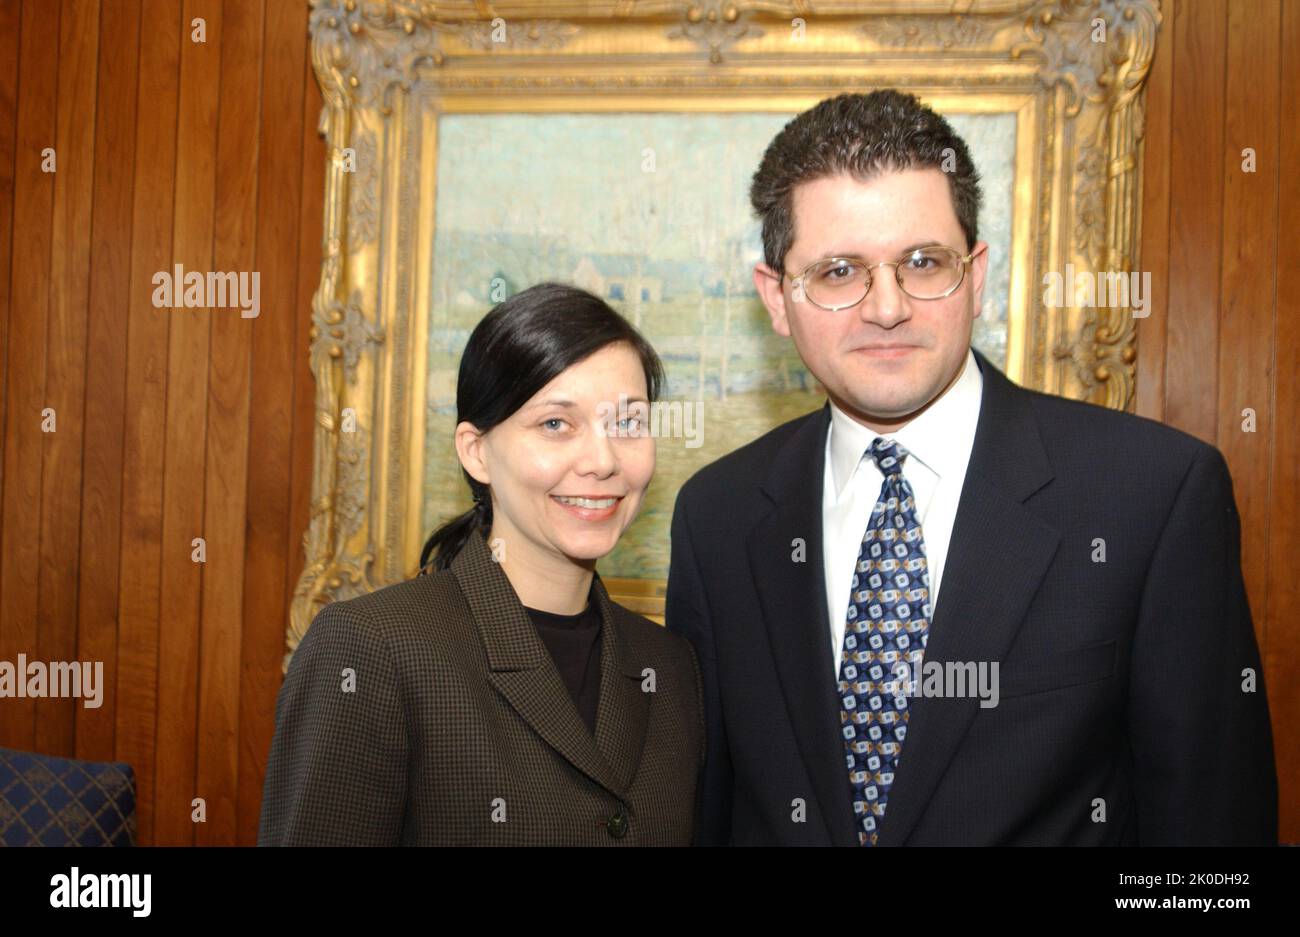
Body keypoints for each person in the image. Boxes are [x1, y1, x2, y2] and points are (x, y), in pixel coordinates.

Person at [666, 90, 1277, 846]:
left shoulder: (1152, 496)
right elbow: (707, 815)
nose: (885, 307)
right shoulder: (717, 516)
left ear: (976, 274)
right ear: (777, 298)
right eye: (836, 272)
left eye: (923, 263)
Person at [260, 283, 704, 845]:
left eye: (627, 423)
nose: (602, 460)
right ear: (476, 451)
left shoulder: (669, 667)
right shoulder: (372, 651)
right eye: (555, 425)